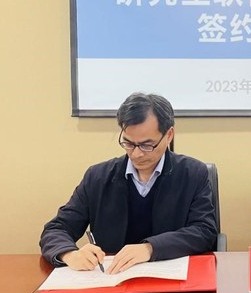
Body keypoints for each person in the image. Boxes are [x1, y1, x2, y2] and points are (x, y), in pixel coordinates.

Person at [40, 92, 217, 274]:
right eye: (129, 143)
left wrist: (150, 248)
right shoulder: (98, 177)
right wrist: (69, 254)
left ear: (169, 135)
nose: (136, 154)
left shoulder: (193, 173)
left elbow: (204, 231)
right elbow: (57, 229)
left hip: (170, 279)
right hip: (112, 278)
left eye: (147, 145)